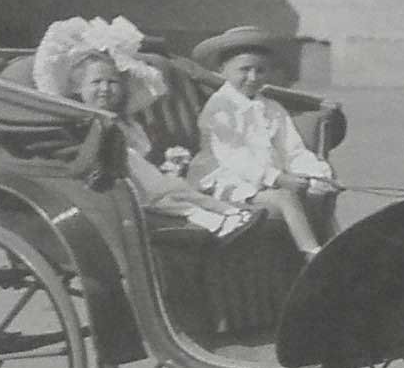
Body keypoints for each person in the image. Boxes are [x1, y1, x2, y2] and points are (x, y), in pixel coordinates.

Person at [32, 16, 256, 241]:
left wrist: (168, 161)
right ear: (78, 88)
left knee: (181, 191)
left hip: (144, 183)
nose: (105, 89)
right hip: (111, 187)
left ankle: (229, 212)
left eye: (112, 82)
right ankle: (216, 222)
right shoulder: (79, 120)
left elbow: (144, 151)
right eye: (96, 83)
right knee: (171, 199)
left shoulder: (124, 121)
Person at [188, 25, 339, 257]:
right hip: (227, 179)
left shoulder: (271, 107)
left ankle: (333, 246)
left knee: (318, 193)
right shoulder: (219, 109)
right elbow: (234, 156)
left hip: (269, 179)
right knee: (285, 198)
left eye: (260, 71)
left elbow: (291, 148)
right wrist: (277, 178)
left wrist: (315, 174)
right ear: (222, 70)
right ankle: (311, 252)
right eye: (244, 70)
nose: (252, 78)